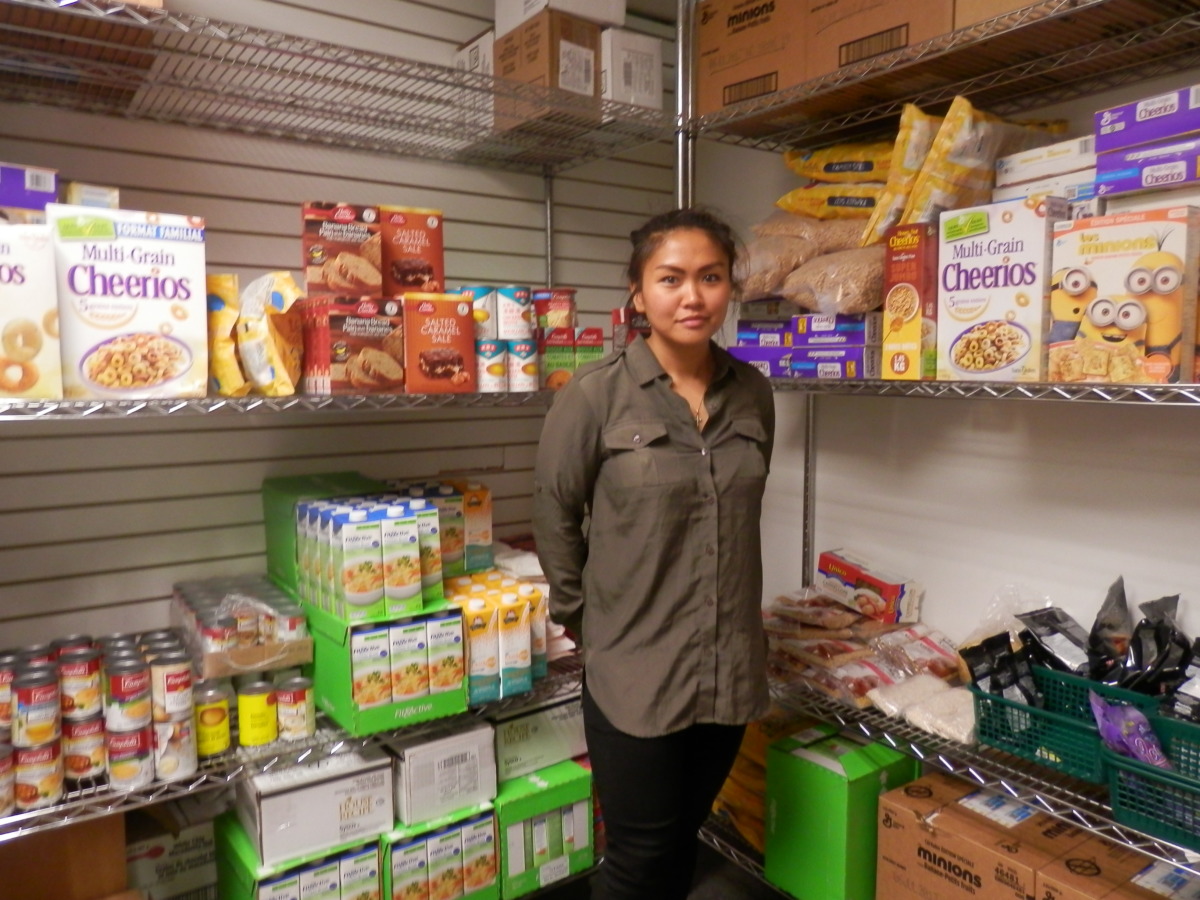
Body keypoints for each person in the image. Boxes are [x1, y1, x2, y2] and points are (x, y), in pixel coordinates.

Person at [532, 207, 776, 900]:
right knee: (637, 856)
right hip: (634, 669)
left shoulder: (753, 393)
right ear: (638, 293)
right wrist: (586, 619)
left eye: (711, 277)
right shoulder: (593, 396)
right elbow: (554, 513)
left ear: (731, 287)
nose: (692, 296)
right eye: (670, 279)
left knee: (684, 834)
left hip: (728, 665)